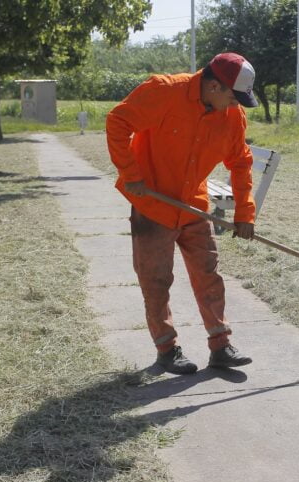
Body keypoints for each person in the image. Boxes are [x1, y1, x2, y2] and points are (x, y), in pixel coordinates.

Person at [106, 53, 259, 375]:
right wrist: (131, 173)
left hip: (193, 205)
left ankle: (220, 346)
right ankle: (167, 349)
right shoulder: (164, 91)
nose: (236, 105)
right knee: (156, 280)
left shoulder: (231, 117)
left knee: (209, 275)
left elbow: (241, 163)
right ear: (214, 85)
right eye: (233, 97)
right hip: (153, 205)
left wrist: (245, 213)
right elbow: (118, 121)